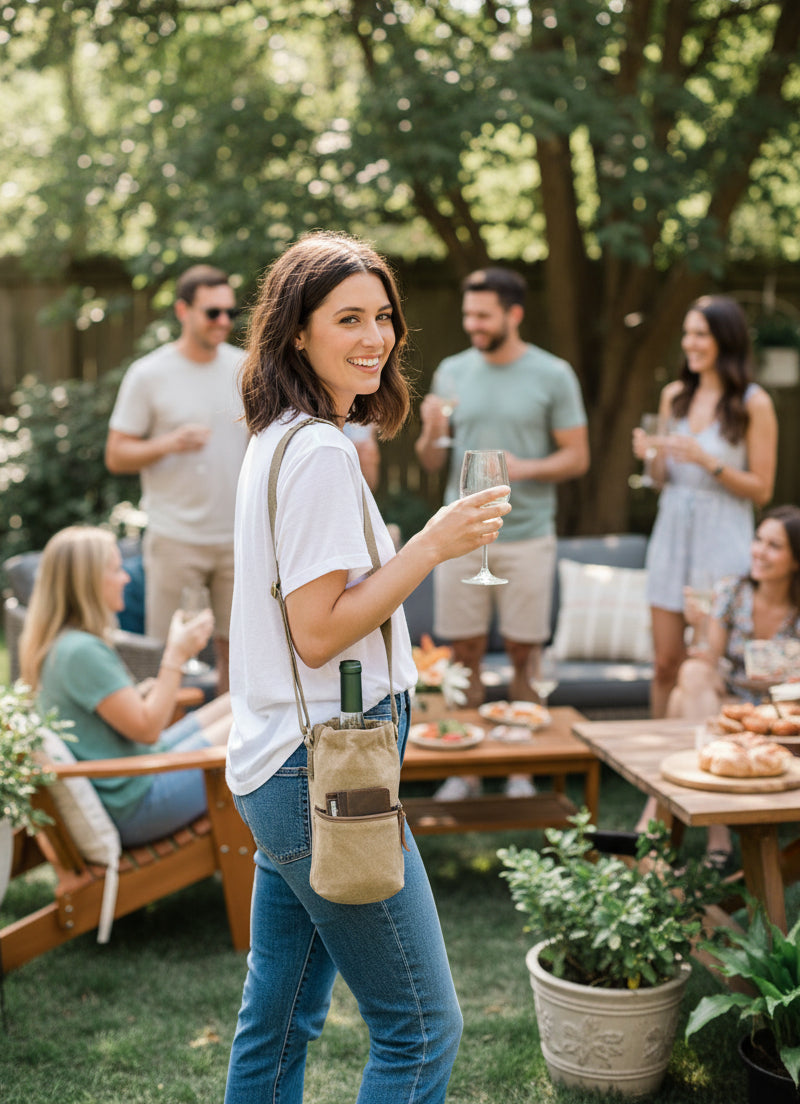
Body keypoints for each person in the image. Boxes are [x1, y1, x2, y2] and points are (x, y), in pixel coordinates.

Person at [222, 231, 511, 1104]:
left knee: (278, 1024)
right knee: (421, 1029)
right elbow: (316, 633)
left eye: (382, 316)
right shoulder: (317, 451)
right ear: (297, 331)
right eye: (348, 318)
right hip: (324, 774)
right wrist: (429, 546)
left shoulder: (281, 436)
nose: (375, 337)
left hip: (283, 763)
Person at [416, 267, 589, 710]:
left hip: (527, 535)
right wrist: (431, 428)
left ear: (514, 314)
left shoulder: (553, 374)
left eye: (483, 316)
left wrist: (522, 468)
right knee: (463, 655)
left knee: (524, 655)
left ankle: (524, 752)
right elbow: (432, 461)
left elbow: (577, 457)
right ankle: (466, 753)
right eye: (468, 315)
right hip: (461, 534)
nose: (472, 324)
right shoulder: (452, 371)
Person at [18, 525, 233, 846]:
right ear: (89, 581)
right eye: (116, 570)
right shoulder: (80, 652)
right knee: (250, 722)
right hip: (137, 802)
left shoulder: (63, 644)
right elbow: (148, 729)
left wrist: (136, 695)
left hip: (138, 770)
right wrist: (176, 654)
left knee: (240, 702)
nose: (125, 579)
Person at [105, 264, 248, 695]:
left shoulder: (246, 368)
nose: (223, 321)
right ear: (183, 311)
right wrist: (169, 443)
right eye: (212, 312)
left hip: (239, 536)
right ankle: (163, 735)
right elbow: (116, 455)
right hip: (175, 538)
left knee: (239, 652)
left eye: (230, 312)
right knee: (167, 655)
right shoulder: (149, 374)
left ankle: (229, 736)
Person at [633, 295, 778, 717]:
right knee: (665, 664)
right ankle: (657, 753)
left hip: (723, 539)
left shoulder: (754, 403)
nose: (689, 344)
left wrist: (707, 461)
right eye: (687, 334)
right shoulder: (674, 395)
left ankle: (708, 749)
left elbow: (762, 490)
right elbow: (660, 479)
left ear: (725, 340)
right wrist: (650, 455)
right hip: (672, 535)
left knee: (708, 663)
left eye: (700, 334)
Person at [635, 507, 800, 866]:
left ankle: (652, 828)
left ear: (796, 560)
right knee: (693, 674)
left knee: (682, 699)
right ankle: (718, 832)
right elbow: (710, 658)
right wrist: (698, 626)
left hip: (784, 715)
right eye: (758, 539)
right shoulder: (733, 590)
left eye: (774, 546)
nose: (759, 551)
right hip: (733, 705)